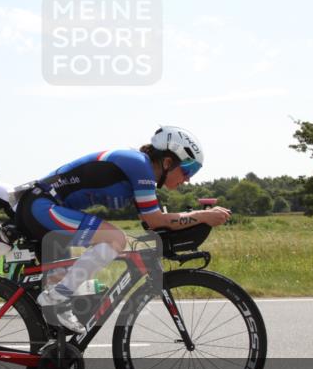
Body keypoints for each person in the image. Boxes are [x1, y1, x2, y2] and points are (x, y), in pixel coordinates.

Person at [15, 126, 231, 334]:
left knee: (61, 308)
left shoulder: (142, 173)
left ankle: (53, 350)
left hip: (44, 207)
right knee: (114, 239)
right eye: (187, 171)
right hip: (42, 207)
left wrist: (197, 218)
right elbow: (156, 220)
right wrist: (202, 216)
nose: (188, 179)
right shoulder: (139, 166)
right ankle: (59, 295)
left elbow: (153, 222)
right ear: (167, 162)